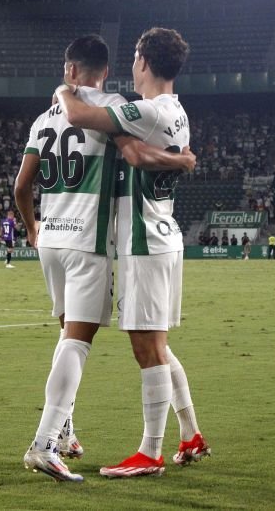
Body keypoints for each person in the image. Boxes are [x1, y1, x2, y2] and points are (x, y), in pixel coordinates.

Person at [16, 33, 196, 483]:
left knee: (72, 338)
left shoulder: (43, 119)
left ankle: (68, 433)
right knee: (81, 342)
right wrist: (183, 162)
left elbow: (21, 188)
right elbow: (133, 153)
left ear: (71, 69)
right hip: (91, 242)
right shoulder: (124, 105)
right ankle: (45, 442)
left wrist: (32, 229)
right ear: (108, 70)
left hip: (50, 240)